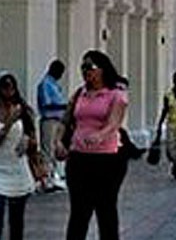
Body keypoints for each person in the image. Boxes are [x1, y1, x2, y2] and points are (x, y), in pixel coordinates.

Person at [57, 50, 130, 240]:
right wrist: (58, 141)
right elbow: (65, 121)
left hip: (107, 158)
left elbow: (114, 123)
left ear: (102, 70)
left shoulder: (116, 94)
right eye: (83, 67)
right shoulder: (79, 94)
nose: (85, 71)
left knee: (105, 208)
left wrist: (100, 135)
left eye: (90, 67)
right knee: (79, 210)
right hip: (79, 156)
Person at [0, 70, 39, 240]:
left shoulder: (23, 110)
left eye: (11, 88)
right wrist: (9, 122)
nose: (8, 92)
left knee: (16, 224)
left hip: (18, 173)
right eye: (4, 88)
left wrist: (29, 141)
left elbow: (34, 141)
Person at [36, 59, 68, 191]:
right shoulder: (45, 84)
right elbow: (46, 103)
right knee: (47, 150)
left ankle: (53, 177)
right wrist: (63, 105)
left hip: (57, 120)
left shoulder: (54, 84)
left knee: (55, 150)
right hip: (49, 119)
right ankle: (46, 179)